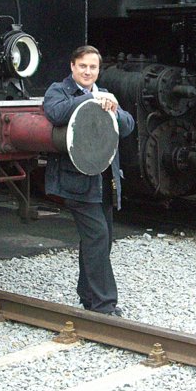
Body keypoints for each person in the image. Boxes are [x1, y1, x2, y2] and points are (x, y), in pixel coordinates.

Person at [43, 45, 135, 316]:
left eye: (93, 67)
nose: (87, 71)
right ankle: (104, 306)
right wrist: (90, 101)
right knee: (97, 237)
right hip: (77, 181)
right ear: (73, 66)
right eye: (83, 66)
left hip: (105, 180)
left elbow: (128, 126)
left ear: (98, 70)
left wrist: (114, 109)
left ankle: (88, 296)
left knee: (99, 241)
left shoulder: (105, 94)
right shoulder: (58, 91)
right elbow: (55, 113)